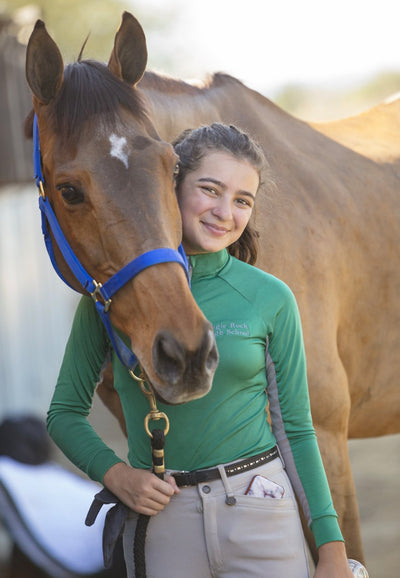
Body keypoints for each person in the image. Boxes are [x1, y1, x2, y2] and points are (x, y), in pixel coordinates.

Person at [47, 123, 354, 577]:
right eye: (210, 190)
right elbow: (64, 413)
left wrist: (330, 548)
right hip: (165, 522)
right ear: (169, 187)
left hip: (261, 511)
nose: (224, 212)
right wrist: (116, 474)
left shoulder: (270, 297)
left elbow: (297, 430)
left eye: (242, 200)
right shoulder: (110, 295)